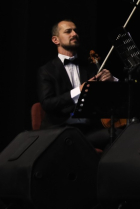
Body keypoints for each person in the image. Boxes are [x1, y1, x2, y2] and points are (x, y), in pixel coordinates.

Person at [37, 19, 119, 149]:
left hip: (87, 130)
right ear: (55, 40)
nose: (74, 34)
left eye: (75, 31)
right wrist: (79, 90)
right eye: (68, 31)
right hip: (60, 130)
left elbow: (108, 98)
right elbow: (47, 103)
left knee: (117, 135)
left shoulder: (89, 67)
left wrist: (112, 80)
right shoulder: (47, 70)